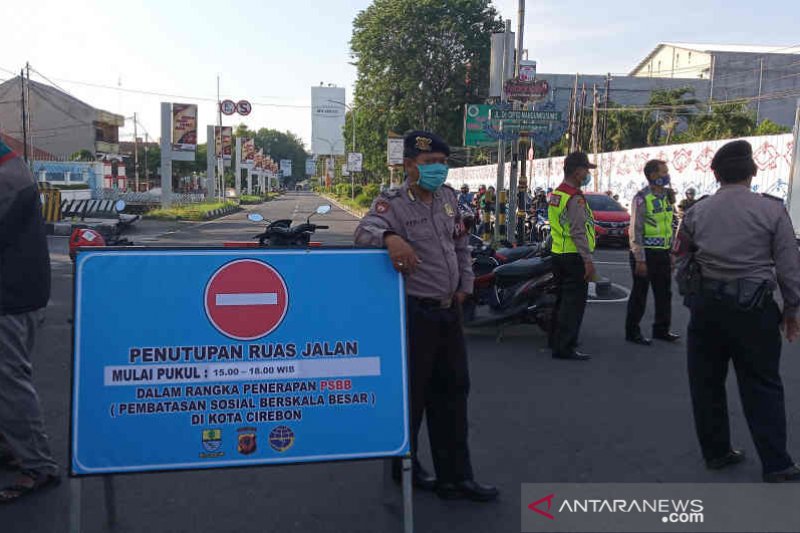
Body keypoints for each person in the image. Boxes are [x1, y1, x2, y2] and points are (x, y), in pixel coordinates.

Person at [354, 130, 498, 501]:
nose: (438, 169)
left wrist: (466, 284)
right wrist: (390, 238)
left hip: (450, 311)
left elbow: (461, 243)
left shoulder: (449, 199)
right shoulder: (393, 203)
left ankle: (456, 476)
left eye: (442, 163)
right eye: (429, 163)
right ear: (408, 166)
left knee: (453, 393)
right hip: (415, 313)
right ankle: (405, 467)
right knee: (413, 396)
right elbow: (363, 231)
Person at [674, 140, 800, 482]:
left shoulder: (696, 212)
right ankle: (777, 464)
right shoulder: (772, 210)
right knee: (762, 385)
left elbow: (681, 258)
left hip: (706, 310)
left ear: (715, 175)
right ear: (753, 172)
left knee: (706, 383)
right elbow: (789, 267)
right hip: (754, 312)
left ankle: (716, 453)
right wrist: (792, 310)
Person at [0, 138, 60, 503]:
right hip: (22, 291)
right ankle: (10, 445)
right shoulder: (12, 170)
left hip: (10, 297)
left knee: (8, 382)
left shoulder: (7, 178)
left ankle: (38, 465)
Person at [625, 159, 681, 345]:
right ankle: (632, 332)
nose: (667, 175)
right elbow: (635, 230)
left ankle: (661, 329)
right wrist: (640, 259)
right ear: (652, 175)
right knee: (640, 294)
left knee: (664, 293)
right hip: (645, 253)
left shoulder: (667, 196)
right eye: (663, 172)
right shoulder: (642, 198)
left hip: (663, 252)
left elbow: (670, 225)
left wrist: (672, 253)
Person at [548, 152, 597, 361]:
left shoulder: (557, 193)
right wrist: (587, 260)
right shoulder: (574, 197)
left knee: (561, 301)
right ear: (577, 172)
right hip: (574, 255)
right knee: (573, 304)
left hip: (558, 252)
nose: (587, 174)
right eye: (586, 170)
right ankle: (565, 347)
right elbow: (577, 230)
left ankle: (555, 340)